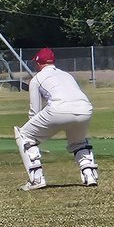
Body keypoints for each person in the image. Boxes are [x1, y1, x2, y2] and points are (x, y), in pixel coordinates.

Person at [14, 47, 98, 190]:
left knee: (24, 135)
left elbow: (35, 110)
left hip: (59, 109)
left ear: (39, 63)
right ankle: (89, 174)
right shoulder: (67, 75)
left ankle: (36, 178)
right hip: (85, 109)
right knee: (78, 142)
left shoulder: (37, 79)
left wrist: (34, 132)